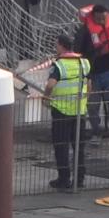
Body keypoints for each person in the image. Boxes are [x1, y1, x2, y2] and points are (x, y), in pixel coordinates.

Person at [43, 34, 90, 190]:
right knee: (79, 147)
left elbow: (50, 84)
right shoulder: (84, 62)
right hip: (79, 110)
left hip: (61, 110)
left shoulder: (59, 65)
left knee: (61, 146)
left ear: (62, 46)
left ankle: (64, 179)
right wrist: (85, 100)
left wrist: (46, 97)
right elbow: (89, 84)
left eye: (57, 45)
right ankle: (80, 179)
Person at [74, 4, 109, 144]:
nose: (102, 20)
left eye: (104, 17)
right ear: (94, 16)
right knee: (93, 105)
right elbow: (78, 51)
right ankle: (96, 131)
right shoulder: (84, 31)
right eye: (99, 18)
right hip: (93, 73)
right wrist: (85, 73)